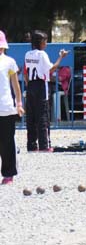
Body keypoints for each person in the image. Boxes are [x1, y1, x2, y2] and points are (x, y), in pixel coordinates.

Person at [24, 31, 69, 151]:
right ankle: (45, 145)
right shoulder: (42, 54)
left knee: (31, 116)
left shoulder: (28, 54)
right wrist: (61, 57)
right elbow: (51, 68)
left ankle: (32, 145)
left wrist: (28, 85)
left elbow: (25, 71)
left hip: (31, 85)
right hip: (41, 85)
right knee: (43, 115)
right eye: (45, 41)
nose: (46, 44)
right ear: (40, 43)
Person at [0, 31, 24, 184]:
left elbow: (16, 85)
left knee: (7, 141)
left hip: (6, 107)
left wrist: (19, 103)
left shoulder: (9, 62)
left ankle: (9, 173)